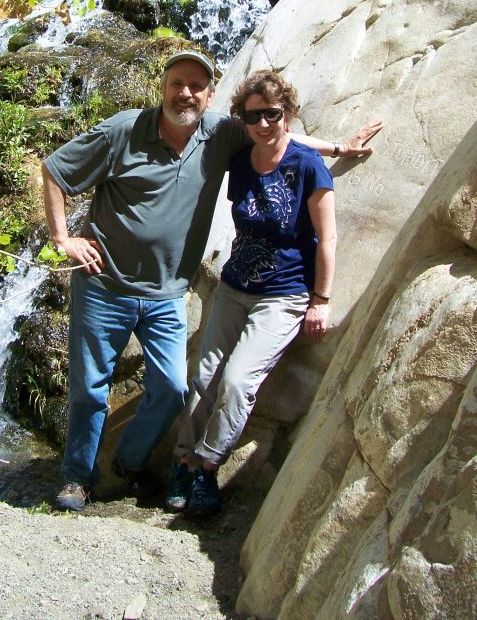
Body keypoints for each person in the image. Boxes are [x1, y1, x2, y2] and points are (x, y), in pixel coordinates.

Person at [41, 51, 381, 511]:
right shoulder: (124, 129)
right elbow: (56, 169)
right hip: (106, 286)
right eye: (178, 83)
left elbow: (276, 137)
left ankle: (127, 465)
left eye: (196, 86)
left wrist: (340, 148)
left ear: (210, 95)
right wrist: (62, 238)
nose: (186, 92)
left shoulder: (219, 133)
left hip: (167, 293)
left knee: (172, 389)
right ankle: (77, 478)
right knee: (89, 388)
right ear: (163, 86)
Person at [165, 69, 337, 516]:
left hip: (283, 295)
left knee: (238, 381)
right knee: (202, 377)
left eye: (273, 115)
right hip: (234, 286)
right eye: (254, 115)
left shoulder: (306, 166)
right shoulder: (243, 156)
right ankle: (182, 460)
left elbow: (328, 238)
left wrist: (321, 299)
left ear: (288, 115)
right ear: (243, 118)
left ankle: (207, 467)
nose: (264, 124)